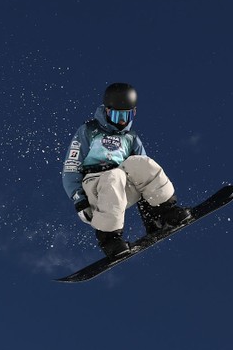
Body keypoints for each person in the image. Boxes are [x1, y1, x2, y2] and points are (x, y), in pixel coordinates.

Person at [62, 82, 191, 258]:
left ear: (134, 112)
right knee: (114, 175)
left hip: (122, 187)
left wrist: (149, 216)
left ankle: (162, 213)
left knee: (141, 163)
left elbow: (145, 173)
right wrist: (79, 201)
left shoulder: (131, 138)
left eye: (126, 115)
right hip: (97, 188)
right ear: (107, 111)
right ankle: (110, 239)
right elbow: (71, 165)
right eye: (117, 116)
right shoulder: (89, 130)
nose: (122, 121)